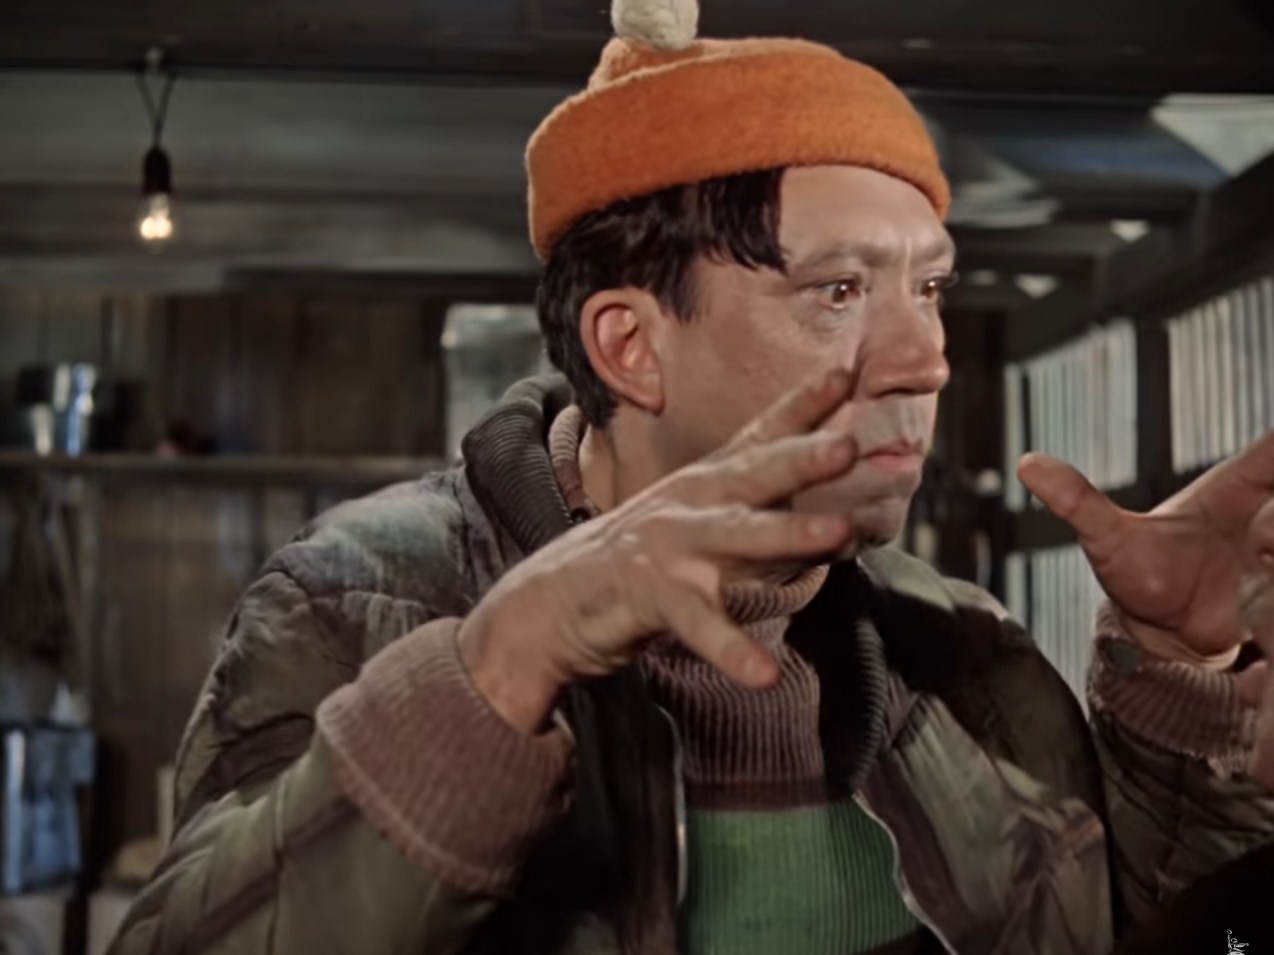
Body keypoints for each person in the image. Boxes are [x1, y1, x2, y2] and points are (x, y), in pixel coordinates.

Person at [109, 1, 1274, 953]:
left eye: (926, 288)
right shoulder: (351, 607)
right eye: (836, 291)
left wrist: (1177, 682)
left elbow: (1180, 938)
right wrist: (497, 674)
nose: (926, 358)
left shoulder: (968, 652)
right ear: (631, 346)